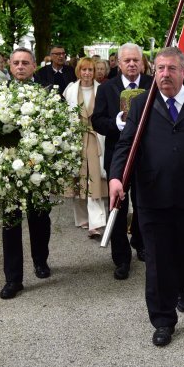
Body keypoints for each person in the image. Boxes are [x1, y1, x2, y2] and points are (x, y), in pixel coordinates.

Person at [109, 47, 184, 347]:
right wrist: (116, 177)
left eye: (171, 69)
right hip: (153, 196)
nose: (165, 74)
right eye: (160, 69)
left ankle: (181, 285)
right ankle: (163, 320)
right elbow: (125, 145)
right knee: (158, 260)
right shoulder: (142, 105)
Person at [90, 43, 152, 280]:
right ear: (119, 63)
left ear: (142, 62)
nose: (132, 64)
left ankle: (141, 242)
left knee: (144, 203)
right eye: (127, 61)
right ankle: (121, 258)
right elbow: (97, 120)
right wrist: (116, 124)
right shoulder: (107, 89)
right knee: (118, 206)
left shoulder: (152, 84)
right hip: (118, 156)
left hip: (148, 156)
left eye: (136, 60)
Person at [0, 48, 52, 299]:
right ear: (9, 67)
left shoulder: (46, 95)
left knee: (40, 218)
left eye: (25, 63)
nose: (20, 67)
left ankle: (40, 260)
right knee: (10, 223)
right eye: (16, 63)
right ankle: (13, 278)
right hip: (7, 169)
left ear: (34, 67)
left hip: (36, 166)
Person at [63, 57, 108, 238]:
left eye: (90, 70)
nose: (87, 73)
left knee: (94, 178)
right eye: (84, 70)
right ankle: (82, 219)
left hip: (95, 136)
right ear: (78, 71)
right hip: (76, 138)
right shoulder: (70, 90)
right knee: (78, 178)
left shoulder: (102, 90)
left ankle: (95, 222)